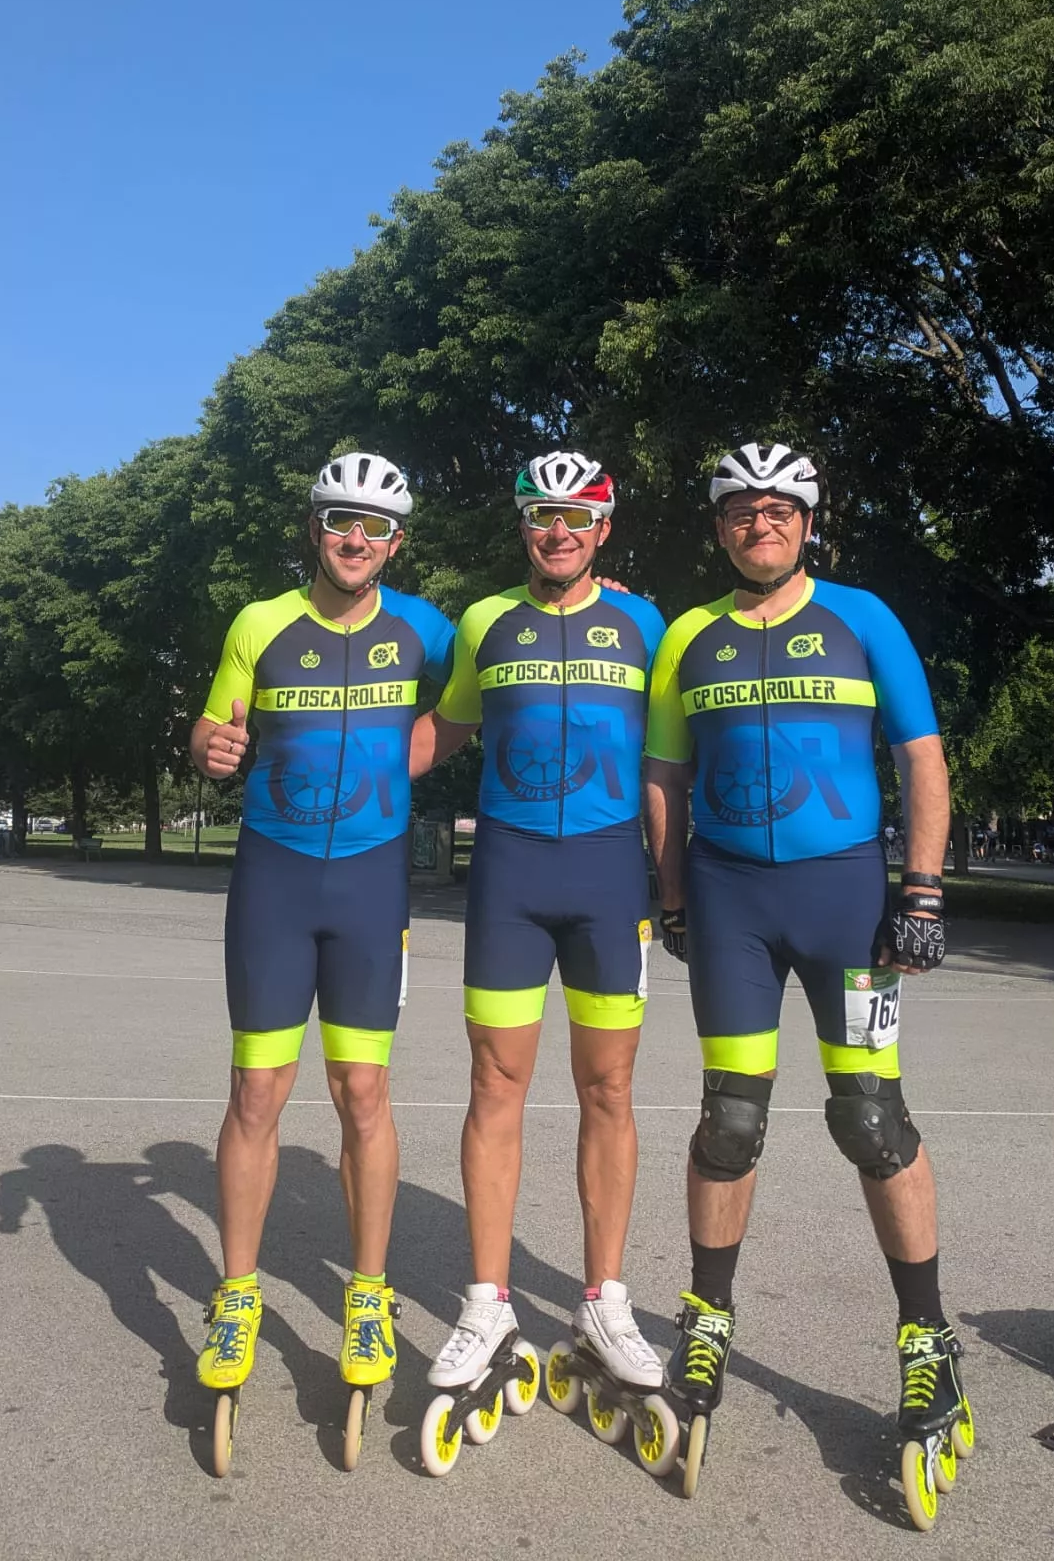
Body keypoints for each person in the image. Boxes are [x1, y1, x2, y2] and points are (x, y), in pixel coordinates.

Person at [643, 441, 971, 1517]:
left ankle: (925, 1337)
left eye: (778, 507)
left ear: (807, 521)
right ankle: (705, 1323)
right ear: (719, 525)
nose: (759, 522)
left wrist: (921, 892)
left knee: (871, 1114)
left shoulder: (864, 616)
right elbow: (665, 776)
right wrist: (674, 896)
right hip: (731, 902)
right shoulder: (688, 635)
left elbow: (921, 754)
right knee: (729, 1119)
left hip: (845, 901)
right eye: (739, 508)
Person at [188, 453, 454, 1418]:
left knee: (363, 1091)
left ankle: (369, 1296)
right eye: (342, 521)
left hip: (372, 885)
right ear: (316, 527)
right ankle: (237, 1294)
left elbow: (490, 678)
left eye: (376, 528)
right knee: (257, 1089)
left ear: (396, 541)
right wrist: (208, 747)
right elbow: (213, 729)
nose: (357, 540)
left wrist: (414, 755)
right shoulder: (258, 622)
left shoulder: (427, 627)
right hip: (273, 879)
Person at [409, 452, 669, 1400]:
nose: (556, 530)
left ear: (603, 527)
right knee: (495, 1080)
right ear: (522, 526)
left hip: (609, 881)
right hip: (510, 877)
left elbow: (673, 756)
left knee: (608, 1087)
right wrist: (343, 770)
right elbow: (442, 727)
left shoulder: (649, 623)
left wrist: (678, 885)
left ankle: (603, 1299)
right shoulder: (483, 621)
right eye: (538, 515)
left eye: (575, 516)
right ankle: (486, 1301)